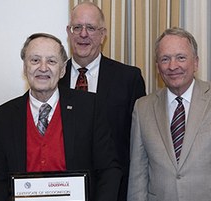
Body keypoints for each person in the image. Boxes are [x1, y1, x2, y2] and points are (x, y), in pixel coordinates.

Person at [127, 27, 211, 200]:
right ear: (157, 67)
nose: (173, 66)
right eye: (165, 59)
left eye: (181, 57)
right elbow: (138, 179)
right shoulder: (142, 108)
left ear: (196, 62)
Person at [0, 33, 122, 201]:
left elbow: (109, 169)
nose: (43, 68)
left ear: (63, 69)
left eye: (51, 61)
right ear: (24, 67)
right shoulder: (3, 117)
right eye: (35, 60)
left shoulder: (89, 108)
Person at [59, 2, 146, 200]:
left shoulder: (128, 79)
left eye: (90, 28)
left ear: (103, 34)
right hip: (64, 189)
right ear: (68, 31)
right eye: (77, 27)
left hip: (116, 190)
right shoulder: (53, 79)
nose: (83, 34)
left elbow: (138, 143)